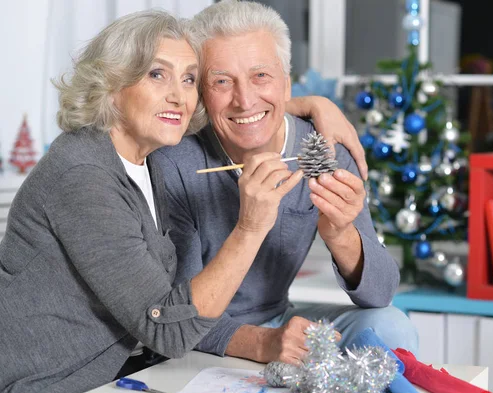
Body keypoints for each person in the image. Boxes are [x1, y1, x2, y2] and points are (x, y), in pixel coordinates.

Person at [0, 10, 364, 393]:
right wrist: (251, 226)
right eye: (157, 74)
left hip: (127, 374)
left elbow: (240, 104)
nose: (179, 95)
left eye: (189, 79)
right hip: (49, 385)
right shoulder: (82, 175)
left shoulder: (147, 160)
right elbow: (169, 329)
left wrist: (308, 104)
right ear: (110, 83)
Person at [152, 0, 418, 367]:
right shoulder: (175, 163)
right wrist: (263, 343)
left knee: (393, 327)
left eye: (261, 75)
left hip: (280, 318)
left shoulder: (322, 150)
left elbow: (381, 292)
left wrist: (342, 235)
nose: (245, 101)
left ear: (287, 83)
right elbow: (177, 314)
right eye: (222, 81)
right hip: (201, 339)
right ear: (200, 90)